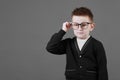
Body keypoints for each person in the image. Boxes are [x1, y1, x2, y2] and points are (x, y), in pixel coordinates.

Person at [46, 7, 108, 80]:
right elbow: (50, 47)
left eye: (84, 24)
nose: (79, 28)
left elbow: (102, 70)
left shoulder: (97, 45)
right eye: (75, 24)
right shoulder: (68, 43)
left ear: (92, 26)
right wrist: (63, 30)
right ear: (71, 25)